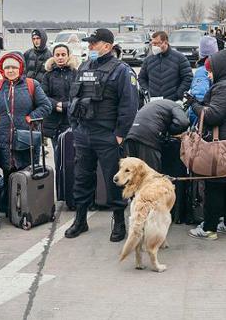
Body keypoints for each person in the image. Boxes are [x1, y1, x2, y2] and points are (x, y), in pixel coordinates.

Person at [64, 29, 139, 242]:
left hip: (107, 135)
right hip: (84, 133)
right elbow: (74, 98)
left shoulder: (121, 70)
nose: (89, 47)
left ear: (107, 46)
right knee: (81, 177)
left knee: (114, 180)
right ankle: (80, 220)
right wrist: (75, 126)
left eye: (93, 43)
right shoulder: (84, 66)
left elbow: (129, 104)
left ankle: (118, 222)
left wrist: (120, 134)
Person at [185, 49, 226, 240]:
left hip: (219, 145)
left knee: (214, 185)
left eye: (211, 71)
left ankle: (209, 228)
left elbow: (212, 116)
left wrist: (194, 104)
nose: (209, 75)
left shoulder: (225, 87)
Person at [0, 52, 52, 205]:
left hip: (27, 140)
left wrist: (30, 118)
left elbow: (46, 106)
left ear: (20, 68)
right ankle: (10, 207)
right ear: (2, 69)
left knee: (27, 175)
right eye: (7, 67)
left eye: (14, 67)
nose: (10, 70)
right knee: (7, 174)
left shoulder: (32, 85)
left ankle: (27, 207)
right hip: (4, 140)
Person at [125, 99, 189, 171]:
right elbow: (183, 122)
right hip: (147, 136)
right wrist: (170, 131)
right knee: (152, 174)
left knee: (134, 173)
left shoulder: (156, 104)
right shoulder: (176, 107)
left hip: (130, 134)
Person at [41, 43, 79, 166]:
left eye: (63, 54)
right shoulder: (48, 75)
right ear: (53, 57)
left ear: (68, 56)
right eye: (57, 55)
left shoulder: (75, 73)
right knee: (58, 156)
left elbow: (79, 95)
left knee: (72, 156)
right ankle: (59, 182)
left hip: (70, 119)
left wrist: (64, 106)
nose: (60, 57)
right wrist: (56, 104)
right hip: (53, 121)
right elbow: (43, 95)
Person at [138, 31, 192, 102]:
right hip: (153, 102)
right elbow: (141, 78)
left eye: (157, 43)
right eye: (153, 43)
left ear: (165, 42)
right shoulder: (148, 60)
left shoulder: (180, 58)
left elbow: (188, 78)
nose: (154, 46)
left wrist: (179, 94)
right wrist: (148, 92)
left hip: (173, 102)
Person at [188, 35, 218, 125]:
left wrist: (194, 123)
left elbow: (198, 99)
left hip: (202, 119)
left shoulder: (202, 71)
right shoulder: (217, 68)